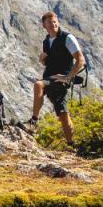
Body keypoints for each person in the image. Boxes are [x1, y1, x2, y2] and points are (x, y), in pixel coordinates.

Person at [31, 11, 86, 144]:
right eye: (49, 22)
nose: (53, 24)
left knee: (39, 85)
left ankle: (33, 121)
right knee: (63, 114)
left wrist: (67, 77)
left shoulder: (67, 38)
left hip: (60, 80)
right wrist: (43, 60)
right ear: (44, 25)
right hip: (51, 79)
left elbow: (81, 60)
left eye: (55, 21)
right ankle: (72, 145)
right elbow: (50, 62)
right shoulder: (46, 41)